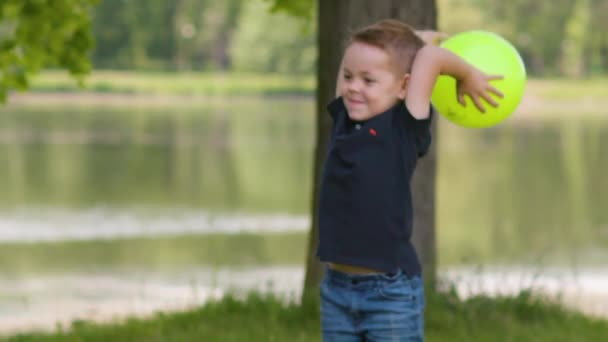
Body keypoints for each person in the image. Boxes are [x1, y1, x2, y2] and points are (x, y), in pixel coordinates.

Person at [316, 19, 503, 341]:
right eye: (348, 77)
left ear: (404, 87)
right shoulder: (345, 121)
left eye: (368, 80)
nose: (353, 87)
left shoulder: (402, 129)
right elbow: (359, 68)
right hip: (336, 289)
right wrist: (412, 42)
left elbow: (431, 59)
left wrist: (467, 75)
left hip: (388, 294)